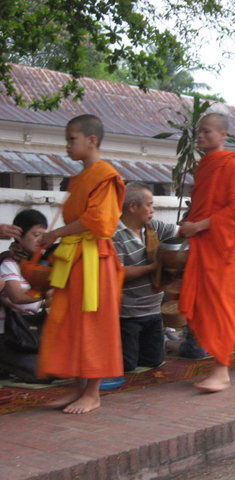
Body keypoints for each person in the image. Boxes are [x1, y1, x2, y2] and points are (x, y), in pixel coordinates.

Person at [38, 114, 125, 414]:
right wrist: (55, 239)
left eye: (71, 139)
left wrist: (55, 235)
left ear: (91, 140)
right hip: (74, 257)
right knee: (70, 320)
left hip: (94, 259)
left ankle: (93, 392)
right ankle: (77, 387)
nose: (67, 146)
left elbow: (97, 221)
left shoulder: (106, 175)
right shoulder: (80, 178)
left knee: (94, 324)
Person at [179, 112, 235, 392]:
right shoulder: (204, 166)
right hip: (205, 247)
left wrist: (197, 226)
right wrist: (189, 225)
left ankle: (222, 370)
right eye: (199, 132)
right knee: (207, 307)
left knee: (223, 308)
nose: (201, 136)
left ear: (224, 135)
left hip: (226, 250)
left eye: (208, 132)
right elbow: (204, 204)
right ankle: (218, 367)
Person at [112, 182, 178, 372]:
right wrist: (154, 267)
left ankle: (167, 343)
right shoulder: (115, 234)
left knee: (153, 362)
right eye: (149, 205)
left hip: (153, 311)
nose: (153, 210)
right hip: (127, 314)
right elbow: (119, 273)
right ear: (133, 206)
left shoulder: (153, 227)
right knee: (128, 366)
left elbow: (181, 233)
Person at [0, 210, 48, 382]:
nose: (40, 240)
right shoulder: (8, 262)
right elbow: (17, 297)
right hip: (14, 336)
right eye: (35, 235)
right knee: (43, 373)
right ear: (19, 236)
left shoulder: (40, 263)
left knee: (62, 366)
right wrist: (45, 296)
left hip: (35, 330)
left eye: (44, 235)